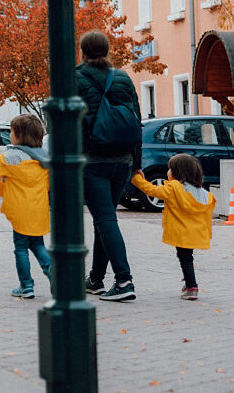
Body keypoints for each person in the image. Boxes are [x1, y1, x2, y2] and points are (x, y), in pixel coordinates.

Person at [76, 30, 142, 302]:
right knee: (104, 220)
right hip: (123, 160)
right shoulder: (123, 77)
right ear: (107, 50)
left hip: (93, 160)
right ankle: (95, 279)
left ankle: (124, 281)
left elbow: (71, 121)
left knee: (105, 219)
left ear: (82, 51)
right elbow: (136, 119)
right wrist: (136, 164)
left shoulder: (75, 77)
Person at [130, 154, 216, 300]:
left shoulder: (174, 188)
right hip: (196, 232)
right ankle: (189, 282)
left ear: (178, 172)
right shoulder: (203, 193)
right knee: (187, 257)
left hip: (182, 232)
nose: (167, 171)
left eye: (170, 168)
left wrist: (136, 178)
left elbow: (153, 191)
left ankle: (191, 286)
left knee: (185, 258)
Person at [0, 113, 51, 299]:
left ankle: (26, 286)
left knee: (21, 247)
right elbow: (48, 184)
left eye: (11, 131)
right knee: (38, 244)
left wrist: (6, 191)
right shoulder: (44, 158)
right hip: (39, 208)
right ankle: (51, 270)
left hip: (19, 210)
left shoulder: (9, 157)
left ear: (19, 135)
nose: (10, 135)